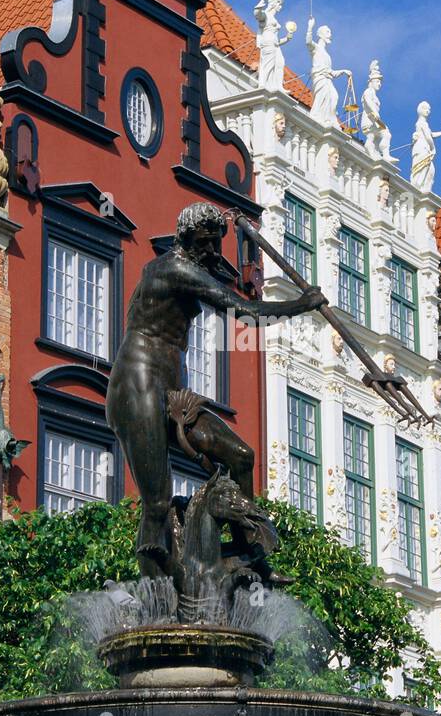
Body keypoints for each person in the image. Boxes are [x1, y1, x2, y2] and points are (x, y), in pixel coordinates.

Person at [106, 202, 326, 576]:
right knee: (157, 502)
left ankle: (249, 553)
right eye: (204, 244)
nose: (211, 252)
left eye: (215, 244)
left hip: (173, 390)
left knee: (241, 455)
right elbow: (243, 312)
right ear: (185, 239)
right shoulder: (173, 268)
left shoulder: (191, 266)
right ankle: (152, 593)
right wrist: (300, 305)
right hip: (137, 384)